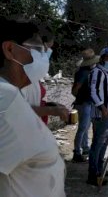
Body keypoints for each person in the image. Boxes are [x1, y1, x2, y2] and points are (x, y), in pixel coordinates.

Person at [0, 18, 65, 196]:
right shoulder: (5, 101)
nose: (44, 55)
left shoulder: (11, 94)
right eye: (38, 49)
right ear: (10, 49)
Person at [20, 28, 69, 124]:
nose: (46, 53)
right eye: (45, 49)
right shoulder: (15, 77)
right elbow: (17, 111)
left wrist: (51, 105)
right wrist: (50, 110)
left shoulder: (33, 75)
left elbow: (34, 101)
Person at [87, 47, 108, 186]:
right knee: (97, 144)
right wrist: (103, 108)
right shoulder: (96, 72)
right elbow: (93, 92)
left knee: (105, 143)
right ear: (102, 58)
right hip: (102, 115)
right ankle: (93, 175)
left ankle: (101, 168)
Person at [71, 48, 100, 162]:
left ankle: (85, 148)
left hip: (85, 103)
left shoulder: (84, 72)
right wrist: (80, 98)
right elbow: (75, 89)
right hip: (84, 103)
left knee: (85, 128)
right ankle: (77, 153)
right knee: (82, 128)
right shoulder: (84, 73)